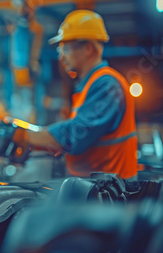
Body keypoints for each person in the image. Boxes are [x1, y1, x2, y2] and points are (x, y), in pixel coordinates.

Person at [15, 10, 137, 179]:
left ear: (88, 48)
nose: (61, 56)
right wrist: (32, 144)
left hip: (113, 196)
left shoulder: (107, 86)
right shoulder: (88, 86)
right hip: (95, 190)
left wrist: (24, 135)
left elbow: (75, 135)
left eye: (65, 47)